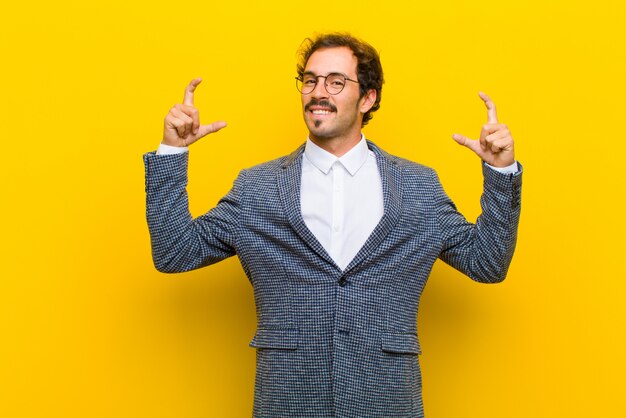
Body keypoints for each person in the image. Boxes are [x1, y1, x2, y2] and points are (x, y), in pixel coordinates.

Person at [143, 33, 522, 418]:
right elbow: (176, 252)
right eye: (310, 80)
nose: (318, 92)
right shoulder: (258, 188)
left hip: (387, 401)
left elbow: (487, 263)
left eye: (336, 82)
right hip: (288, 401)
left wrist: (500, 170)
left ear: (368, 98)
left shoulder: (417, 186)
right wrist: (173, 151)